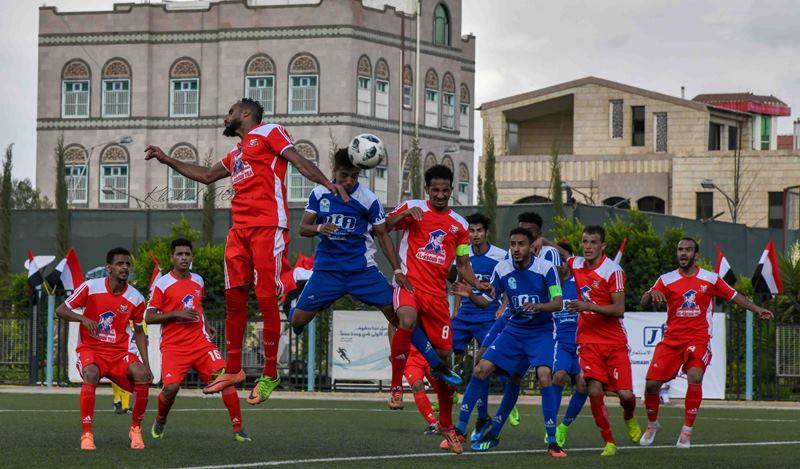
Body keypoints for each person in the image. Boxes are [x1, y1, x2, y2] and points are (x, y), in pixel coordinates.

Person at [145, 98, 346, 404]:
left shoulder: (270, 132)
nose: (227, 116)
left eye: (231, 111)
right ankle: (234, 369)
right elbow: (206, 175)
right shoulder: (236, 153)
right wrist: (167, 160)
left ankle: (269, 373)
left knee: (266, 296)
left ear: (246, 113)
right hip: (239, 231)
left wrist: (328, 183)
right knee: (235, 297)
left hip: (268, 226)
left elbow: (299, 161)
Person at [386, 164, 492, 454]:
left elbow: (463, 264)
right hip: (410, 286)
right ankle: (396, 387)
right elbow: (384, 227)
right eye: (436, 190)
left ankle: (448, 427)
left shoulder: (458, 225)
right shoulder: (414, 207)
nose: (441, 194)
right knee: (405, 320)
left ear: (451, 190)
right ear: (427, 189)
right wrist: (404, 215)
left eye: (446, 190)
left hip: (437, 297)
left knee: (444, 365)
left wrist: (477, 284)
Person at [639, 237, 773, 448]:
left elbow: (734, 295)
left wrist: (757, 309)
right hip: (672, 340)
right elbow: (644, 301)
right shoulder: (666, 279)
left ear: (696, 254)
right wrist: (650, 294)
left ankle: (686, 431)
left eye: (688, 250)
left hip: (698, 338)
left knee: (695, 375)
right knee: (651, 384)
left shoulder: (710, 278)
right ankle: (652, 424)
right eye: (680, 250)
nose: (683, 253)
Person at [453, 228, 566, 458]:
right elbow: (487, 301)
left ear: (531, 246)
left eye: (521, 244)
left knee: (545, 376)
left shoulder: (546, 269)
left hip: (541, 332)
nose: (516, 249)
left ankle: (553, 441)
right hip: (514, 330)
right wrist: (471, 295)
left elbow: (558, 302)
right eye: (512, 244)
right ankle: (460, 430)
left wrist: (539, 307)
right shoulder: (502, 268)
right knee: (481, 368)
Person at [145, 238, 250, 442]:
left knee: (226, 380)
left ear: (192, 256)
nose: (184, 258)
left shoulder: (198, 280)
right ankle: (160, 419)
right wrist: (177, 314)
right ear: (172, 257)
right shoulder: (162, 283)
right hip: (174, 347)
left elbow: (197, 306)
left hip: (200, 343)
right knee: (171, 388)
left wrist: (206, 323)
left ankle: (238, 430)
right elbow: (149, 317)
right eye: (179, 254)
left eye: (187, 254)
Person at [55, 247, 152, 451]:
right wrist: (83, 318)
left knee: (142, 375)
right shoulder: (90, 287)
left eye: (127, 264)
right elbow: (61, 310)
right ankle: (87, 434)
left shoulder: (136, 298)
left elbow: (139, 332)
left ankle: (135, 429)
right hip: (91, 350)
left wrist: (147, 364)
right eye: (119, 263)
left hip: (119, 354)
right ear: (109, 267)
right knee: (90, 373)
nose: (124, 267)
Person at [561, 225, 642, 456]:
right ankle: (609, 441)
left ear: (602, 246)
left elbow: (619, 309)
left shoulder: (612, 271)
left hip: (614, 342)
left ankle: (628, 415)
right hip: (587, 340)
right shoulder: (576, 264)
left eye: (593, 242)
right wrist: (542, 240)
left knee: (626, 395)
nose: (588, 246)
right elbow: (566, 256)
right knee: (593, 388)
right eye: (585, 241)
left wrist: (588, 306)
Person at [450, 212, 506, 435]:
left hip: (487, 316)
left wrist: (502, 307)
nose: (474, 235)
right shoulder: (461, 255)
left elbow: (509, 283)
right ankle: (449, 402)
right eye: (470, 231)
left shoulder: (501, 256)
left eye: (478, 231)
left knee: (483, 366)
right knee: (442, 355)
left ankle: (491, 411)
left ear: (486, 232)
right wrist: (455, 312)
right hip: (464, 317)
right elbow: (458, 284)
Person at [547, 241, 588, 448]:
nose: (559, 265)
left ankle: (563, 427)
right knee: (559, 376)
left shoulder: (578, 282)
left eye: (563, 260)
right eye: (556, 261)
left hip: (581, 342)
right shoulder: (548, 284)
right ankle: (551, 427)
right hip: (559, 342)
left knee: (583, 384)